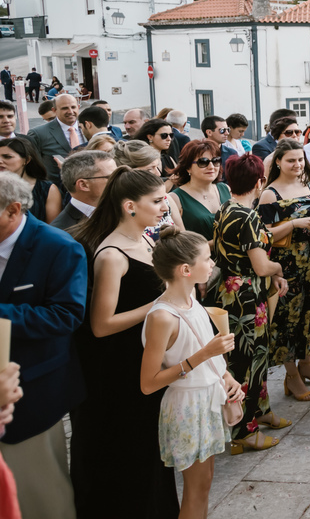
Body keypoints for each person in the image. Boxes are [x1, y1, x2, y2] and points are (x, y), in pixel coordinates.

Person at [69, 166, 177, 516]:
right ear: (130, 206)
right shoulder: (111, 255)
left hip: (145, 358)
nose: (165, 206)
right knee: (127, 452)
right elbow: (101, 325)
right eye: (157, 201)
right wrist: (160, 304)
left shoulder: (146, 239)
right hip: (118, 369)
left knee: (150, 450)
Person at [139, 228, 242, 519]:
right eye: (207, 259)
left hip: (207, 398)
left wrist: (227, 377)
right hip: (187, 406)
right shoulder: (162, 317)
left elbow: (206, 353)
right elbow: (148, 383)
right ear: (186, 269)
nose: (212, 263)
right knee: (195, 490)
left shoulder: (192, 298)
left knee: (205, 483)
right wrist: (204, 355)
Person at [0, 173, 84, 519]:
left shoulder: (58, 246)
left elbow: (66, 316)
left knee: (42, 495)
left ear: (13, 210)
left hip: (32, 389)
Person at [210, 154, 291, 453]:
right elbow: (261, 266)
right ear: (259, 182)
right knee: (249, 361)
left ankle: (261, 409)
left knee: (251, 357)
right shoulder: (249, 216)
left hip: (230, 291)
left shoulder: (226, 207)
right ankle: (244, 429)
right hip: (246, 296)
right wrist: (278, 269)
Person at [258, 139, 310, 402]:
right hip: (287, 264)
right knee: (288, 319)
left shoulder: (309, 183)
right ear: (278, 162)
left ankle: (306, 363)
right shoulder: (270, 194)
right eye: (291, 160)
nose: (297, 164)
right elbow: (263, 235)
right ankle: (291, 374)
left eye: (300, 159)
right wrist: (294, 224)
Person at [167, 140, 230, 243]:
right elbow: (181, 244)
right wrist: (218, 242)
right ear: (188, 167)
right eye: (203, 162)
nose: (211, 167)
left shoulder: (226, 189)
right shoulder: (175, 198)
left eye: (216, 161)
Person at [0, 137, 62, 222]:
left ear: (27, 160)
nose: (0, 161)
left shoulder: (47, 189)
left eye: (7, 157)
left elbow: (53, 226)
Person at [50, 150, 115, 230]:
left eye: (119, 174)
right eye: (111, 177)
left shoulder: (121, 210)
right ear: (83, 185)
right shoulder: (63, 231)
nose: (119, 180)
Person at [27, 92, 80, 184]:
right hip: (57, 188)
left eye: (73, 107)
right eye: (64, 108)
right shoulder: (38, 134)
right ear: (54, 110)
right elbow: (32, 167)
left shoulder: (90, 128)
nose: (70, 111)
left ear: (78, 107)